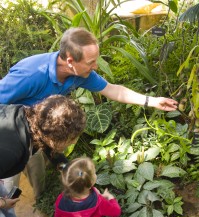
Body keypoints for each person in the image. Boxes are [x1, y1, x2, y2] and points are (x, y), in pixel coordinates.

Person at [0, 27, 178, 200]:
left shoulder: (80, 73)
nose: (96, 67)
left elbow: (112, 90)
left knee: (36, 172)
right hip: (9, 136)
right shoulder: (31, 74)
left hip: (39, 136)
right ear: (70, 61)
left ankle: (39, 202)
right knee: (7, 189)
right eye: (91, 62)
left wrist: (152, 101)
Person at [0, 95, 86, 217]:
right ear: (56, 136)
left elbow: (47, 146)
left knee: (8, 214)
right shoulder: (11, 151)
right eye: (72, 139)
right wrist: (3, 201)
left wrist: (67, 168)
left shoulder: (31, 120)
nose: (73, 143)